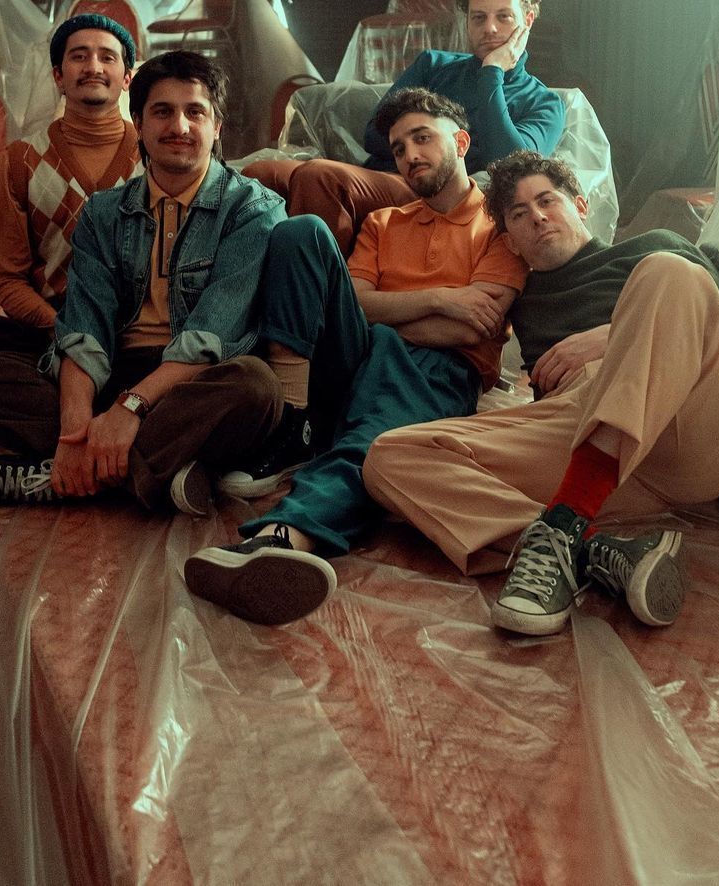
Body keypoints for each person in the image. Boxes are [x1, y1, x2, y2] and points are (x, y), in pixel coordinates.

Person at [362, 150, 719, 637]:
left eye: (547, 201)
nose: (537, 217)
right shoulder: (522, 300)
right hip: (587, 438)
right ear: (510, 240)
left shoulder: (653, 247)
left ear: (580, 205)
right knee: (389, 455)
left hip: (683, 428)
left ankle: (567, 517)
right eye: (519, 214)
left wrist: (609, 338)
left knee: (668, 272)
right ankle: (585, 547)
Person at [184, 87, 528, 626]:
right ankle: (294, 423)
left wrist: (395, 315)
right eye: (399, 148)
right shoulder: (384, 221)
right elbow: (359, 303)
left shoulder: (501, 227)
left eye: (422, 138)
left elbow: (474, 325)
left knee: (369, 445)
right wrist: (441, 298)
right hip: (363, 352)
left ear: (461, 142)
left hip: (438, 370)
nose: (410, 155)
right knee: (301, 232)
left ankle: (282, 539)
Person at [0, 50, 290, 516]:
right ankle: (145, 469)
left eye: (195, 112)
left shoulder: (253, 209)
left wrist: (130, 409)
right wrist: (76, 425)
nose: (179, 127)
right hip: (117, 369)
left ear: (217, 127)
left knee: (256, 388)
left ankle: (54, 477)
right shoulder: (104, 211)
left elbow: (211, 338)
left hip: (191, 381)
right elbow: (85, 328)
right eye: (162, 112)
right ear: (138, 124)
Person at [244, 0, 564, 252]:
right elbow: (374, 134)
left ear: (528, 20)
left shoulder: (543, 102)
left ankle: (331, 287)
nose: (490, 28)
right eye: (478, 18)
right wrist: (436, 146)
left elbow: (514, 169)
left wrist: (492, 73)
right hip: (388, 177)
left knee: (318, 176)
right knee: (260, 174)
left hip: (440, 193)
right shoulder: (434, 65)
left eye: (504, 17)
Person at [0, 13, 141, 370]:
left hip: (135, 330)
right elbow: (7, 279)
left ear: (127, 78)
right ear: (58, 76)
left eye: (107, 57)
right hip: (53, 324)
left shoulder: (154, 156)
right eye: (79, 56)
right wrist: (62, 331)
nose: (93, 67)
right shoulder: (20, 160)